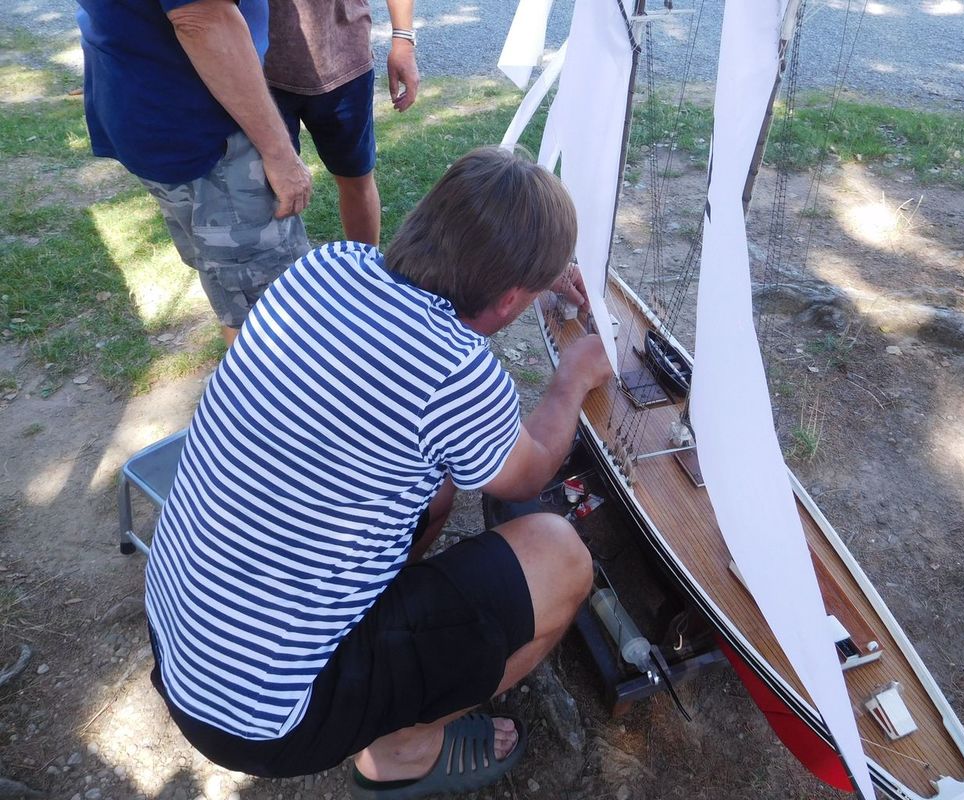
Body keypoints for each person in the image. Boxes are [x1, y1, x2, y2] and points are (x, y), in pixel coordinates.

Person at [144, 147, 612, 797]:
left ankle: (378, 636)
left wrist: (538, 271)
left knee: (436, 483)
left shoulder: (328, 266)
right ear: (510, 300)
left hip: (183, 640)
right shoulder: (456, 370)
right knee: (560, 556)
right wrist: (573, 377)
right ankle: (401, 751)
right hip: (268, 720)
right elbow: (526, 475)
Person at [76, 0, 313, 346]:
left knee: (229, 281)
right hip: (208, 132)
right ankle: (275, 380)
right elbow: (201, 20)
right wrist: (280, 155)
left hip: (157, 109)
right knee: (273, 308)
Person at [265, 0, 420, 245]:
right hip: (259, 74)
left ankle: (364, 266)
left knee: (357, 180)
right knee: (268, 191)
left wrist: (403, 42)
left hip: (346, 63)